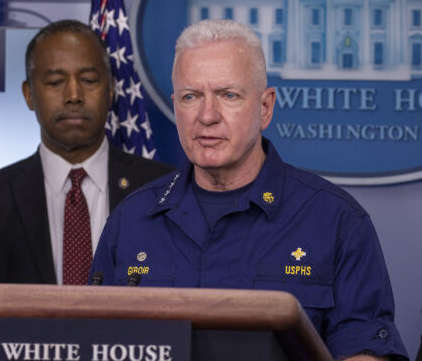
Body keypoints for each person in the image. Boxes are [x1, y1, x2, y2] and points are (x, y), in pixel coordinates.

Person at [90, 19, 408, 360]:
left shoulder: (337, 222)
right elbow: (94, 343)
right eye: (190, 96)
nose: (207, 115)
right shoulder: (131, 220)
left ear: (265, 107)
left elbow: (364, 351)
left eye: (228, 95)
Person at [0, 20, 173, 285]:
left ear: (111, 90)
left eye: (88, 80)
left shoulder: (166, 191)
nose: (74, 95)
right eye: (55, 82)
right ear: (29, 94)